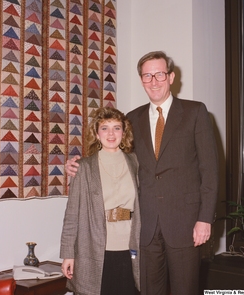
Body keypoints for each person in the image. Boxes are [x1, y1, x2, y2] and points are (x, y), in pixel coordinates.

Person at [65, 51, 219, 295]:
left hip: (185, 223)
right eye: (147, 76)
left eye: (159, 74)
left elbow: (209, 171)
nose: (154, 81)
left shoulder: (195, 112)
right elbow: (115, 155)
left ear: (171, 77)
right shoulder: (132, 119)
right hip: (144, 228)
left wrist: (205, 219)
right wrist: (76, 163)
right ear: (141, 80)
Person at [60, 107, 140, 295]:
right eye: (105, 128)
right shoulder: (83, 167)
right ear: (96, 134)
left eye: (117, 128)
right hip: (96, 250)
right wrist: (67, 254)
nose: (111, 133)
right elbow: (72, 215)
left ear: (124, 132)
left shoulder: (136, 162)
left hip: (131, 248)